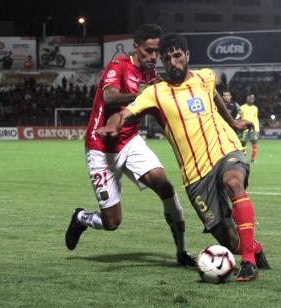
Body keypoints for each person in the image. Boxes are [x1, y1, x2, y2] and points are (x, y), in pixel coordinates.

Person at [97, 33, 270, 282]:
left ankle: (249, 264)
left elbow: (214, 95)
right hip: (195, 176)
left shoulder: (206, 77)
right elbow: (124, 114)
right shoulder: (155, 92)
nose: (173, 62)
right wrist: (113, 125)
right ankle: (254, 249)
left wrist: (232, 123)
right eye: (167, 59)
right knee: (232, 242)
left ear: (187, 56)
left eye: (177, 56)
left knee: (234, 181)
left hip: (225, 150)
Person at [65, 24, 195, 266]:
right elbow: (110, 97)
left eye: (157, 52)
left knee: (165, 186)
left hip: (130, 141)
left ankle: (182, 252)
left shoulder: (151, 75)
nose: (154, 57)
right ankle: (81, 217)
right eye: (149, 51)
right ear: (136, 47)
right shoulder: (119, 66)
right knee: (112, 222)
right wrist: (143, 93)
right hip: (101, 149)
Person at [239, 94, 260, 163]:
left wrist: (257, 130)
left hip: (253, 129)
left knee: (254, 142)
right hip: (244, 129)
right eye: (250, 98)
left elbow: (256, 119)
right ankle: (241, 159)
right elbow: (239, 118)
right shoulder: (242, 108)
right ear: (247, 99)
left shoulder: (255, 108)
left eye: (253, 98)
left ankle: (253, 159)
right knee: (243, 143)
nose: (252, 99)